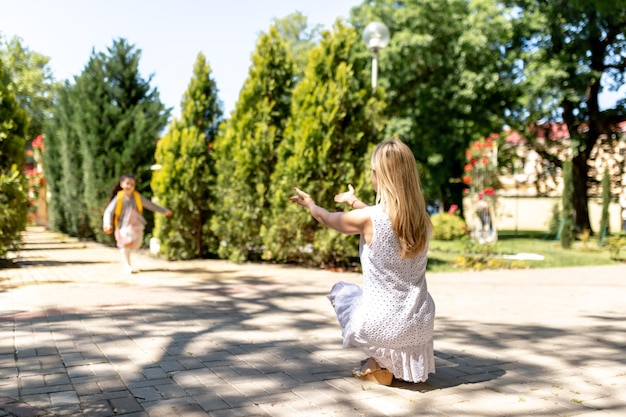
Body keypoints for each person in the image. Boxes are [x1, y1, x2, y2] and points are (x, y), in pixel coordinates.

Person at [289, 139, 435, 386]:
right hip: (420, 324)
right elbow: (387, 220)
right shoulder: (422, 220)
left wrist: (311, 204)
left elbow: (328, 218)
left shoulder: (369, 219)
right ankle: (386, 364)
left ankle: (377, 363)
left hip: (383, 323)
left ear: (380, 176)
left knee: (342, 293)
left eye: (373, 170)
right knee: (387, 315)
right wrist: (353, 201)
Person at [103, 174, 172, 274]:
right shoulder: (119, 198)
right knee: (125, 243)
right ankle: (127, 265)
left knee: (136, 244)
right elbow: (109, 211)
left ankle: (128, 260)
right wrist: (107, 223)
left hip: (136, 226)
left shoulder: (137, 197)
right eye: (127, 184)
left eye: (132, 184)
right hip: (123, 226)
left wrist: (164, 211)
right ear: (122, 184)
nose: (129, 186)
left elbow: (150, 205)